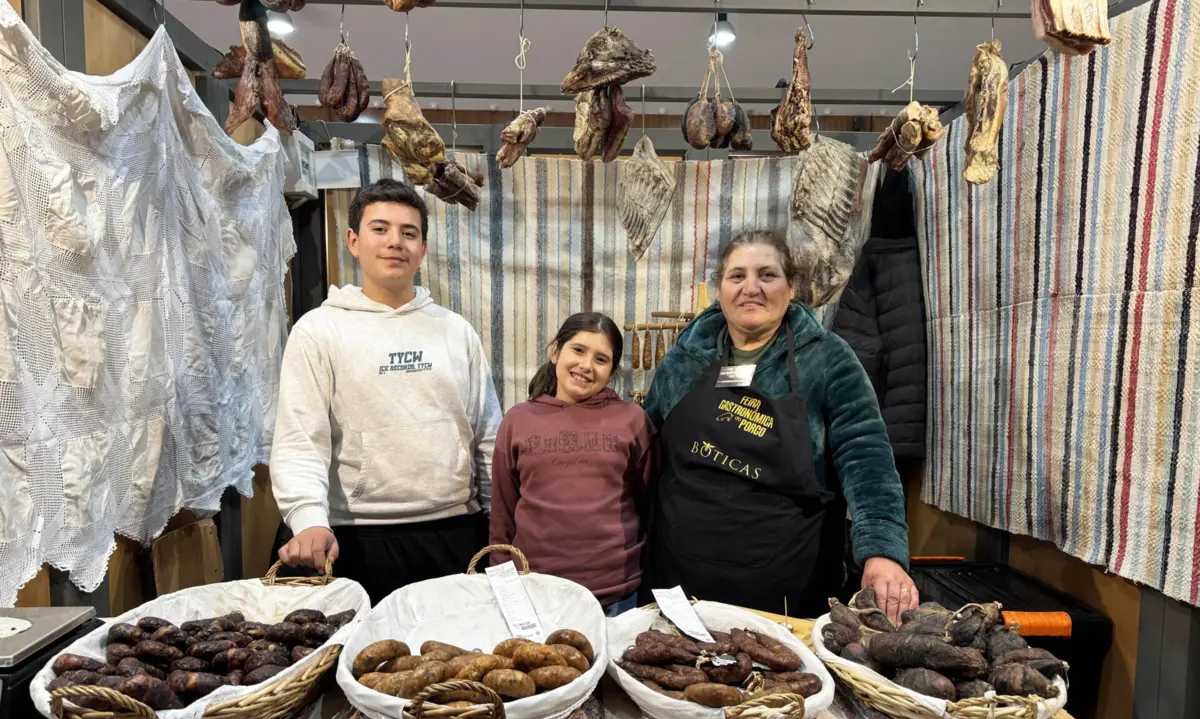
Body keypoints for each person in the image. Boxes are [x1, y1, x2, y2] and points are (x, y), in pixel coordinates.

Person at [642, 229, 917, 622]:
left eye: (766, 275)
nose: (750, 288)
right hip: (680, 582)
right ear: (717, 291)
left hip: (786, 591)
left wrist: (882, 552)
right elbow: (646, 454)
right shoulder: (684, 360)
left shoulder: (827, 359)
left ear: (791, 288)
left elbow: (866, 455)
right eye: (737, 276)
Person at [271, 179, 502, 603]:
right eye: (380, 229)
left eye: (409, 232)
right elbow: (300, 440)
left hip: (453, 534)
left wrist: (498, 524)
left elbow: (487, 435)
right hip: (353, 538)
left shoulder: (456, 332)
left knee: (457, 664)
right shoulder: (319, 330)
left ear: (423, 249)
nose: (395, 242)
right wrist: (307, 520)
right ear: (354, 241)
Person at [489, 313, 657, 617]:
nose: (586, 366)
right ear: (555, 351)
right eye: (578, 350)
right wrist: (502, 582)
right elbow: (503, 512)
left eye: (601, 359)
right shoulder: (517, 420)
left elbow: (648, 505)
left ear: (611, 371)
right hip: (534, 590)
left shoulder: (633, 420)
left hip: (613, 595)